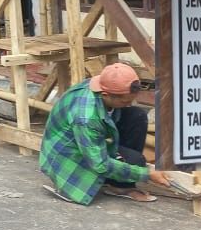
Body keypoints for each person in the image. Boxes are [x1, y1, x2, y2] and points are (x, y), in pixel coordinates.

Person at [40, 62, 171, 205]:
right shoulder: (86, 118)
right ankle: (120, 184)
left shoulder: (101, 83)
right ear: (105, 95)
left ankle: (119, 182)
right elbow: (100, 165)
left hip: (84, 137)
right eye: (125, 101)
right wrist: (146, 174)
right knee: (136, 160)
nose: (129, 103)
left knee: (137, 116)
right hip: (67, 154)